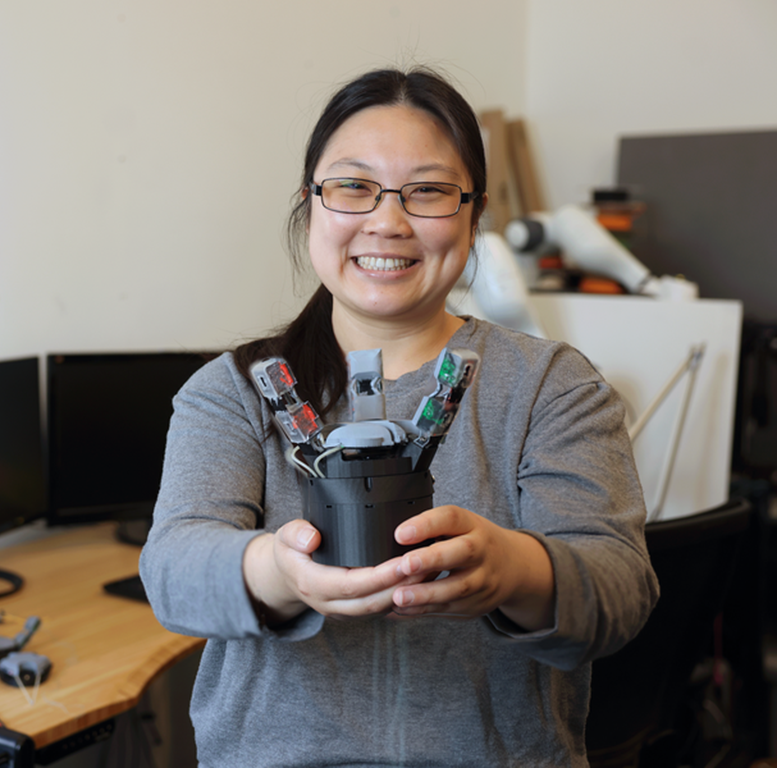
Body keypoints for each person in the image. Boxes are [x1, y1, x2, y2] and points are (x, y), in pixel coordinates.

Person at [139, 66, 659, 767]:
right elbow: (173, 574)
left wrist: (511, 569)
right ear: (310, 205)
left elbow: (621, 590)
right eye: (353, 186)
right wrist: (281, 570)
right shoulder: (233, 390)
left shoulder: (551, 387)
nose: (387, 220)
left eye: (429, 191)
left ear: (475, 216)